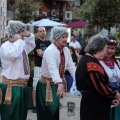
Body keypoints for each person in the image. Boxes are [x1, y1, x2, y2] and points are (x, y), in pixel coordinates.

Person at [36, 26, 80, 120]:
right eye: (62, 37)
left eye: (66, 37)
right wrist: (59, 83)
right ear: (56, 38)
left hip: (58, 84)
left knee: (59, 113)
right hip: (46, 85)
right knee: (47, 114)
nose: (65, 39)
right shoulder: (49, 51)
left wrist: (79, 79)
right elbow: (53, 69)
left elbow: (71, 67)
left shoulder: (66, 50)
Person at [75, 34, 120, 120]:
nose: (106, 52)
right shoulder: (92, 64)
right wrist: (116, 94)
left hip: (89, 102)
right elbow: (101, 87)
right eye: (105, 49)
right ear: (99, 48)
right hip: (95, 104)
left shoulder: (85, 59)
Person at [0, 20, 35, 120]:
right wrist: (19, 39)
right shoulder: (5, 46)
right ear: (15, 33)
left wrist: (29, 35)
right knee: (10, 115)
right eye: (22, 31)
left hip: (22, 86)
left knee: (21, 116)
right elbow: (14, 54)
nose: (24, 34)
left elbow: (31, 45)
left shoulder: (21, 44)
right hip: (12, 87)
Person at [99, 35, 120, 120]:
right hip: (103, 97)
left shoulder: (117, 63)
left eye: (112, 48)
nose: (110, 51)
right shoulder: (98, 62)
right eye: (108, 48)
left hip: (117, 97)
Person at [32, 27, 51, 113]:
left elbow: (50, 54)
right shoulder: (36, 42)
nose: (42, 32)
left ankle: (45, 104)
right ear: (37, 33)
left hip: (47, 67)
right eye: (40, 31)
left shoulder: (49, 42)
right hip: (38, 67)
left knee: (47, 86)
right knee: (35, 86)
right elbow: (40, 54)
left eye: (43, 31)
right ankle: (35, 106)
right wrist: (48, 54)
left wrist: (45, 53)